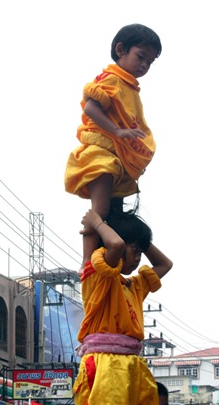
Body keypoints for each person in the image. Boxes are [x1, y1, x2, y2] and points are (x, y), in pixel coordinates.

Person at [64, 23, 162, 271]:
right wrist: (118, 131)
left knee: (111, 216)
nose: (144, 66)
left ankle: (108, 260)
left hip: (115, 158)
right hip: (101, 154)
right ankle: (87, 262)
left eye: (149, 62)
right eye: (141, 57)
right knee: (99, 212)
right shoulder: (112, 79)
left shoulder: (128, 86)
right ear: (121, 49)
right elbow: (91, 108)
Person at [73, 208, 173, 405]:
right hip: (106, 365)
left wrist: (140, 239)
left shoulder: (134, 286)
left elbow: (165, 264)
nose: (138, 258)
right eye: (135, 250)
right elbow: (116, 245)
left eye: (140, 251)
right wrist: (97, 222)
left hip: (133, 367)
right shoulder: (98, 277)